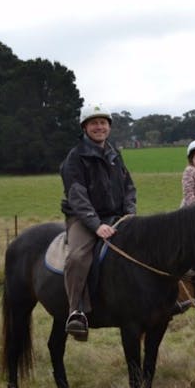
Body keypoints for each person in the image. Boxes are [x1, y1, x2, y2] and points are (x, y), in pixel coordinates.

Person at [61, 105, 137, 341]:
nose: (99, 127)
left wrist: (130, 214)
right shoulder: (75, 158)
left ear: (109, 127)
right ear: (85, 127)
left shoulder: (115, 155)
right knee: (77, 257)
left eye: (103, 123)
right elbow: (77, 196)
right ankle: (76, 312)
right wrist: (96, 225)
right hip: (83, 219)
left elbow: (129, 188)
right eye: (94, 123)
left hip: (117, 217)